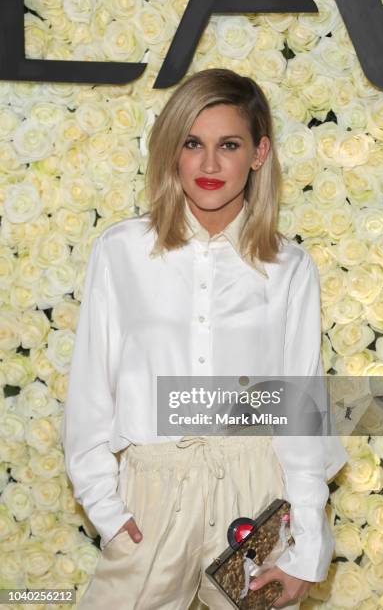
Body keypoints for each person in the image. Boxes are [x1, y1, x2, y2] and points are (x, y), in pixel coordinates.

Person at [61, 68, 348, 610]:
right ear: (173, 151)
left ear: (259, 153)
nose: (210, 164)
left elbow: (302, 411)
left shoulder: (289, 266)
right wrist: (108, 509)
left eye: (229, 144)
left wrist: (307, 542)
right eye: (193, 143)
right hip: (150, 495)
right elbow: (90, 392)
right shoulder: (122, 251)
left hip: (255, 493)